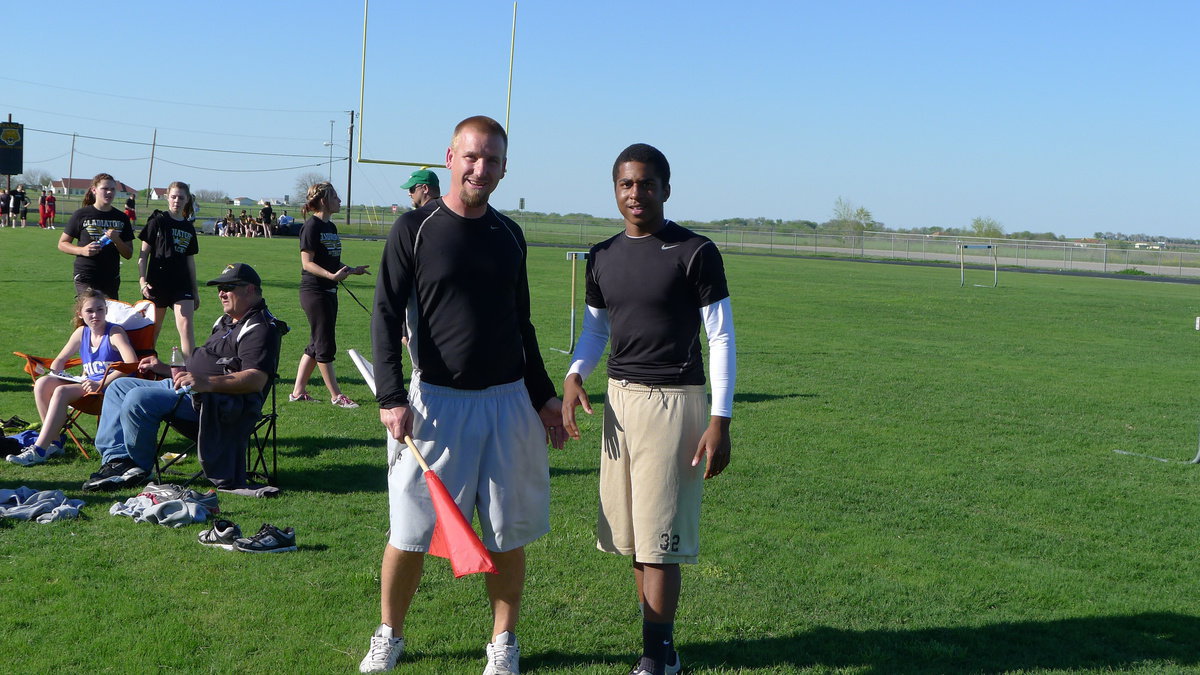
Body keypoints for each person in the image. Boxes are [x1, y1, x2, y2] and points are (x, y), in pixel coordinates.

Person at [360, 115, 565, 675]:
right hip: (435, 405)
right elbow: (385, 314)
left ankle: (503, 642)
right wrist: (390, 396)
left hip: (506, 403)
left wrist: (544, 397)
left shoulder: (510, 234)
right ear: (451, 158)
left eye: (492, 159)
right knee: (409, 532)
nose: (480, 168)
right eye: (471, 157)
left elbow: (521, 324)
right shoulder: (414, 228)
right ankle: (389, 634)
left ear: (504, 167)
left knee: (504, 533)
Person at [561, 143, 736, 675]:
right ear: (615, 189)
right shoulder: (602, 255)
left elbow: (721, 337)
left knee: (661, 540)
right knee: (635, 539)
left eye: (646, 183)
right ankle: (663, 649)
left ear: (665, 188)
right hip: (620, 402)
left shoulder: (695, 251)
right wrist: (574, 375)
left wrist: (720, 420)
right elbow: (596, 330)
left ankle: (655, 658)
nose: (635, 193)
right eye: (626, 184)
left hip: (675, 401)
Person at [82, 263, 282, 492]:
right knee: (119, 386)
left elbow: (256, 380)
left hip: (217, 403)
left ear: (250, 289)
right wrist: (165, 368)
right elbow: (206, 365)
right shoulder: (226, 321)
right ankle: (116, 460)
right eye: (220, 288)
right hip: (193, 389)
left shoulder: (260, 328)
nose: (221, 293)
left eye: (229, 288)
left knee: (139, 398)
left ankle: (139, 467)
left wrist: (205, 383)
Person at [7, 289, 138, 466]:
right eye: (89, 311)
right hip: (87, 384)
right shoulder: (82, 332)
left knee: (61, 391)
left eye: (100, 309)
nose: (95, 315)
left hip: (108, 388)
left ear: (106, 310)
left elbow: (132, 363)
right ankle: (54, 443)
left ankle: (39, 450)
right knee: (42, 383)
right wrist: (56, 367)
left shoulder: (114, 333)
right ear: (80, 314)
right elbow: (60, 359)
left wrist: (100, 382)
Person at [290, 182, 368, 408]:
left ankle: (297, 392)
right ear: (324, 201)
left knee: (316, 343)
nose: (340, 201)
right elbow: (307, 263)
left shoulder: (331, 227)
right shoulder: (311, 227)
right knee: (324, 344)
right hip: (315, 292)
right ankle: (336, 396)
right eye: (335, 197)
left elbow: (331, 261)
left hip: (328, 290)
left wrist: (351, 270)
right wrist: (331, 276)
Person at [137, 181, 200, 356]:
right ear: (167, 197)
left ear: (187, 200)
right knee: (152, 331)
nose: (177, 201)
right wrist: (142, 282)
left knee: (186, 325)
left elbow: (190, 261)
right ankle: (147, 367)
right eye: (173, 197)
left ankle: (190, 368)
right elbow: (143, 255)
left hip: (181, 284)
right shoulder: (157, 221)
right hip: (157, 283)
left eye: (181, 197)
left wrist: (195, 291)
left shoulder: (188, 227)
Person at [58, 173, 135, 299]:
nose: (109, 192)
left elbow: (128, 254)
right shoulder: (81, 214)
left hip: (110, 276)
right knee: (90, 307)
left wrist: (117, 240)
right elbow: (62, 244)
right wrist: (82, 250)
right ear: (94, 190)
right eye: (105, 188)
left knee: (108, 311)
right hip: (86, 274)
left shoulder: (122, 218)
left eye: (112, 189)